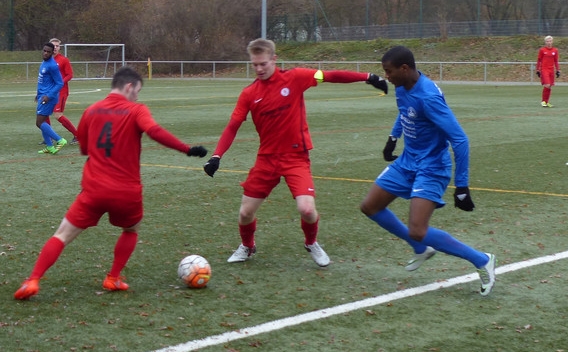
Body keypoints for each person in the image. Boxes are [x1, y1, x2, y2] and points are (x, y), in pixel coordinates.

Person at [14, 66, 208, 300]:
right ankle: (113, 277)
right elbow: (154, 131)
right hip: (126, 191)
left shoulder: (91, 110)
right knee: (131, 229)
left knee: (62, 235)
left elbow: (85, 149)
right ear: (129, 87)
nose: (137, 97)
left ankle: (33, 280)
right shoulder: (136, 110)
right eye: (137, 91)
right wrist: (187, 149)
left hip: (94, 189)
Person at [202, 38, 389, 268]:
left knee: (307, 209)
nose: (259, 69)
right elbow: (233, 126)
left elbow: (330, 75)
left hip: (296, 157)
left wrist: (368, 77)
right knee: (245, 213)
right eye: (255, 65)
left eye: (263, 64)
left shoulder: (296, 77)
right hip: (266, 160)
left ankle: (311, 243)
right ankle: (248, 246)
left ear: (274, 59)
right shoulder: (249, 93)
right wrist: (217, 156)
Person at [360, 45, 496, 295]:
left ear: (404, 68)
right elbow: (405, 112)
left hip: (432, 166)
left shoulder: (429, 97)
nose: (386, 77)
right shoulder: (402, 85)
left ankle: (482, 259)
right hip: (407, 161)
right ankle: (421, 249)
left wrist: (462, 186)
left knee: (418, 230)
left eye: (389, 71)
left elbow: (460, 140)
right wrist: (393, 137)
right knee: (370, 206)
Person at [35, 41, 67, 155]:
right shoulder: (44, 63)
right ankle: (50, 147)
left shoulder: (52, 66)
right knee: (43, 122)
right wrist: (38, 94)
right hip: (42, 96)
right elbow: (43, 81)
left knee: (39, 123)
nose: (45, 53)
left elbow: (59, 83)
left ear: (52, 53)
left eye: (48, 52)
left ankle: (60, 140)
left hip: (48, 98)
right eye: (44, 51)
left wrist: (48, 96)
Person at [49, 38, 79, 144]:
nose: (55, 48)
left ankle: (78, 135)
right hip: (50, 91)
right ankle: (48, 137)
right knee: (44, 113)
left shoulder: (63, 60)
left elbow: (69, 75)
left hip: (61, 91)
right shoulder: (47, 60)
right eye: (53, 45)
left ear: (59, 47)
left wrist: (60, 82)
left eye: (57, 46)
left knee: (58, 115)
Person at [536, 35, 559, 107]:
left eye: (550, 41)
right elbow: (539, 60)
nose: (549, 42)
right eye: (547, 41)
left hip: (551, 70)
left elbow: (556, 61)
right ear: (545, 42)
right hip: (544, 69)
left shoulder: (555, 50)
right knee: (547, 85)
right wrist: (537, 69)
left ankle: (546, 102)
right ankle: (543, 101)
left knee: (550, 86)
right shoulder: (542, 50)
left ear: (552, 42)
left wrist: (558, 70)